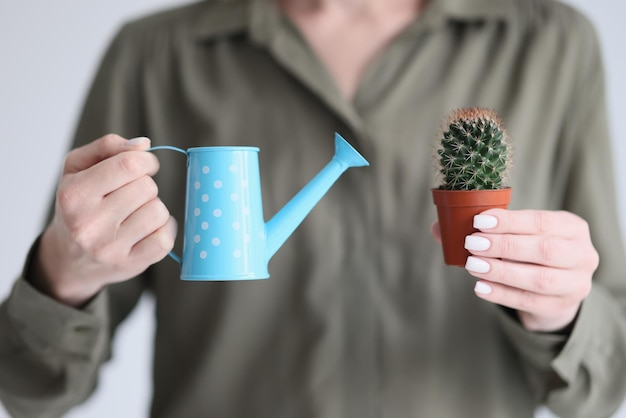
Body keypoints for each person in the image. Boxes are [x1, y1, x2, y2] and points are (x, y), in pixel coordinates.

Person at [1, 0, 625, 417]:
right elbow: (29, 389)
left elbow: (612, 374)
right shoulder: (156, 55)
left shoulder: (550, 46)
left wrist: (561, 312)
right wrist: (66, 271)